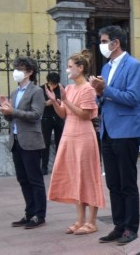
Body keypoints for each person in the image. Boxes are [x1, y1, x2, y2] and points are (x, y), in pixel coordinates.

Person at [90, 25, 140, 246]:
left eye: (104, 41)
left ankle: (131, 227)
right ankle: (119, 225)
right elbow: (102, 98)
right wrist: (98, 93)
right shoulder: (105, 68)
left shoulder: (133, 65)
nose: (101, 45)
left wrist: (105, 90)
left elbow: (133, 98)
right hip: (107, 130)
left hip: (126, 131)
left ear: (116, 43)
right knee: (113, 183)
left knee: (127, 182)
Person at [45, 51, 105, 236]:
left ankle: (91, 221)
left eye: (71, 66)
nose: (68, 70)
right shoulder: (69, 89)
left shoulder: (88, 88)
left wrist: (65, 101)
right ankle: (80, 220)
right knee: (74, 177)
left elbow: (85, 114)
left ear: (80, 68)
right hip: (69, 135)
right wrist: (56, 102)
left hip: (84, 136)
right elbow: (64, 114)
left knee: (88, 176)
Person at [0, 56, 47, 229]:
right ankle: (29, 212)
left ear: (30, 72)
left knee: (35, 179)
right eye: (16, 68)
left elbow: (36, 115)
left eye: (20, 69)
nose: (16, 72)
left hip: (31, 140)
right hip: (16, 140)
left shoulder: (36, 91)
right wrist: (6, 110)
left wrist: (14, 110)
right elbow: (11, 117)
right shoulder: (14, 92)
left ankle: (39, 215)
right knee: (23, 179)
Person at [41, 71, 65, 175]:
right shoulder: (41, 89)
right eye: (52, 83)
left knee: (60, 142)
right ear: (48, 81)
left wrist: (59, 102)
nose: (53, 86)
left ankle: (59, 166)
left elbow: (66, 101)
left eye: (55, 84)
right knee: (45, 143)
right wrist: (48, 102)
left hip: (58, 118)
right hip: (46, 118)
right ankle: (44, 167)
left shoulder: (61, 88)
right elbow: (39, 104)